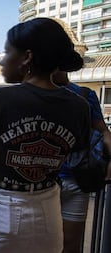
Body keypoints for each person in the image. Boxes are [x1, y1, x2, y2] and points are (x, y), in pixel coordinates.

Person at [0, 18, 90, 253]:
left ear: (27, 58)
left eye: (7, 52)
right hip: (50, 210)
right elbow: (66, 154)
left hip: (2, 210)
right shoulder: (79, 106)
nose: (2, 61)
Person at [52, 71, 111, 253]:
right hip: (45, 185)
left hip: (76, 179)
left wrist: (109, 163)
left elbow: (104, 132)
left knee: (71, 244)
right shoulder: (36, 95)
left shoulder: (84, 94)